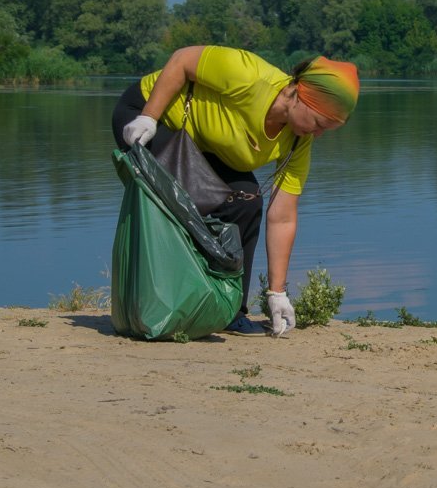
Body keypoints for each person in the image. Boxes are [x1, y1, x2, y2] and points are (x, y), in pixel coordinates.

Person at [111, 45, 359, 337]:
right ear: (300, 96)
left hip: (201, 146)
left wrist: (276, 292)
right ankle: (165, 300)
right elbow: (181, 60)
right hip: (149, 119)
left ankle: (230, 310)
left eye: (327, 129)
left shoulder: (297, 141)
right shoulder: (249, 75)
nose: (318, 134)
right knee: (186, 199)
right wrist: (149, 116)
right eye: (319, 123)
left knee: (245, 202)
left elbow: (282, 216)